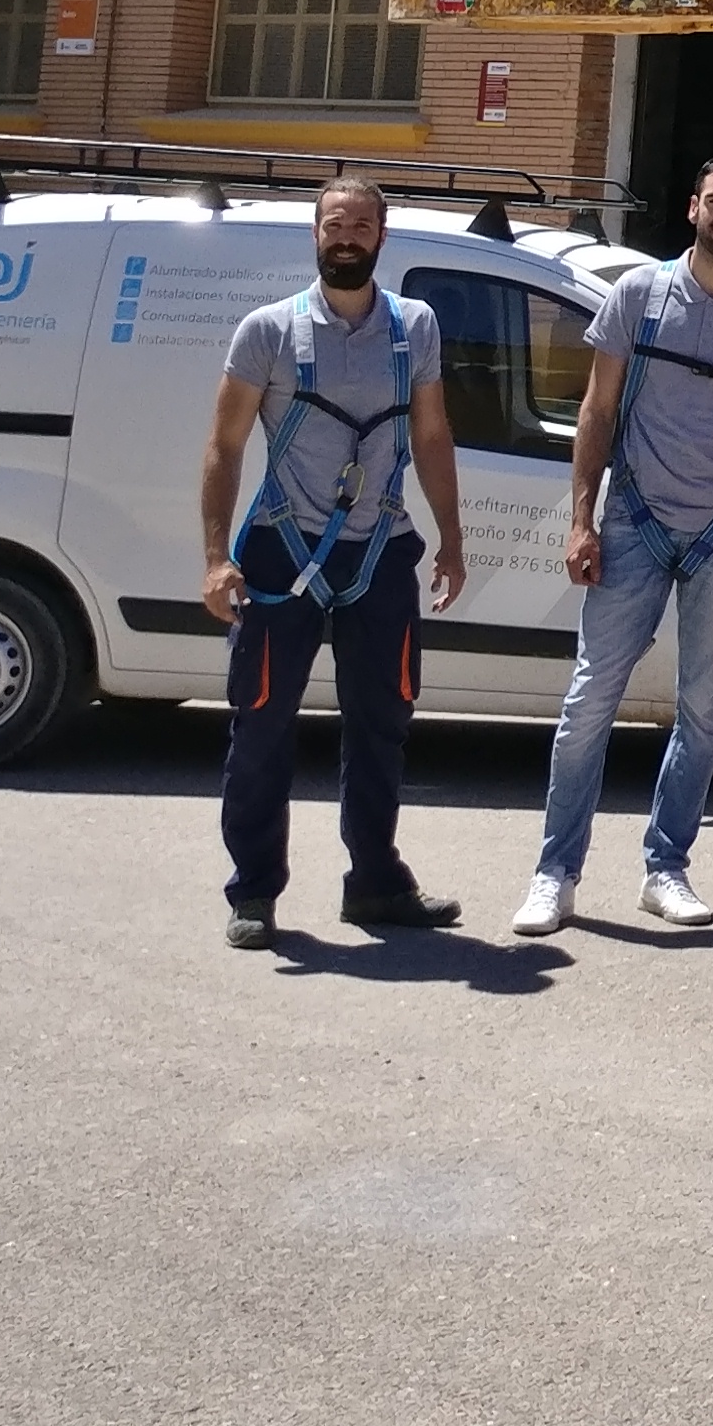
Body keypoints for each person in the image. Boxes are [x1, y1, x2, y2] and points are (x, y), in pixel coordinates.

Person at [513, 153, 713, 935]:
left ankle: (666, 869)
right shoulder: (638, 296)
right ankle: (554, 875)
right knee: (589, 702)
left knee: (704, 713)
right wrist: (582, 519)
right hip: (632, 524)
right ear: (692, 207)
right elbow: (597, 411)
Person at [198, 176, 467, 949]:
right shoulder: (268, 331)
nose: (346, 238)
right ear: (314, 234)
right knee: (261, 727)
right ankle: (253, 891)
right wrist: (215, 558)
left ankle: (375, 883)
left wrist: (451, 539)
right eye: (333, 225)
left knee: (383, 726)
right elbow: (224, 446)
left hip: (379, 554)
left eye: (360, 226)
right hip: (280, 556)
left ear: (382, 236)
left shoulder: (415, 327)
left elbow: (432, 436)